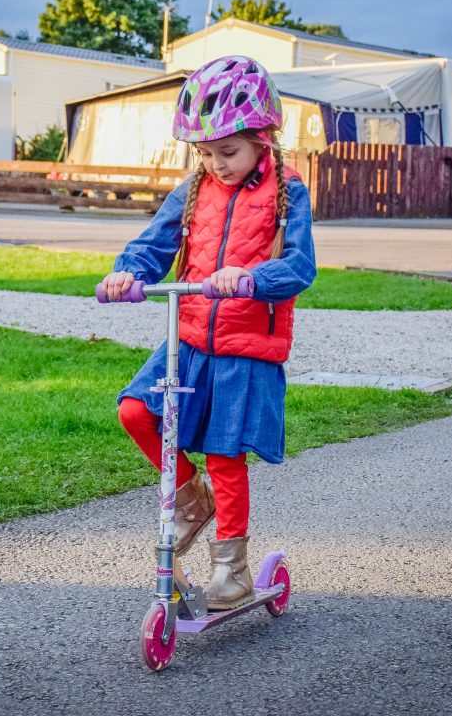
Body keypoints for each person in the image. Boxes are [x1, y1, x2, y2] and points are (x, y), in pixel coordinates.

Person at [99, 56, 317, 610]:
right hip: (191, 337)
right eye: (205, 153)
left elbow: (299, 268)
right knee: (135, 411)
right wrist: (129, 272)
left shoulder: (288, 193)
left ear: (262, 138)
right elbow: (155, 243)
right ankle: (191, 498)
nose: (216, 164)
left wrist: (250, 279)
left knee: (225, 454)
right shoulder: (194, 188)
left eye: (227, 152)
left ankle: (232, 568)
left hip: (247, 349)